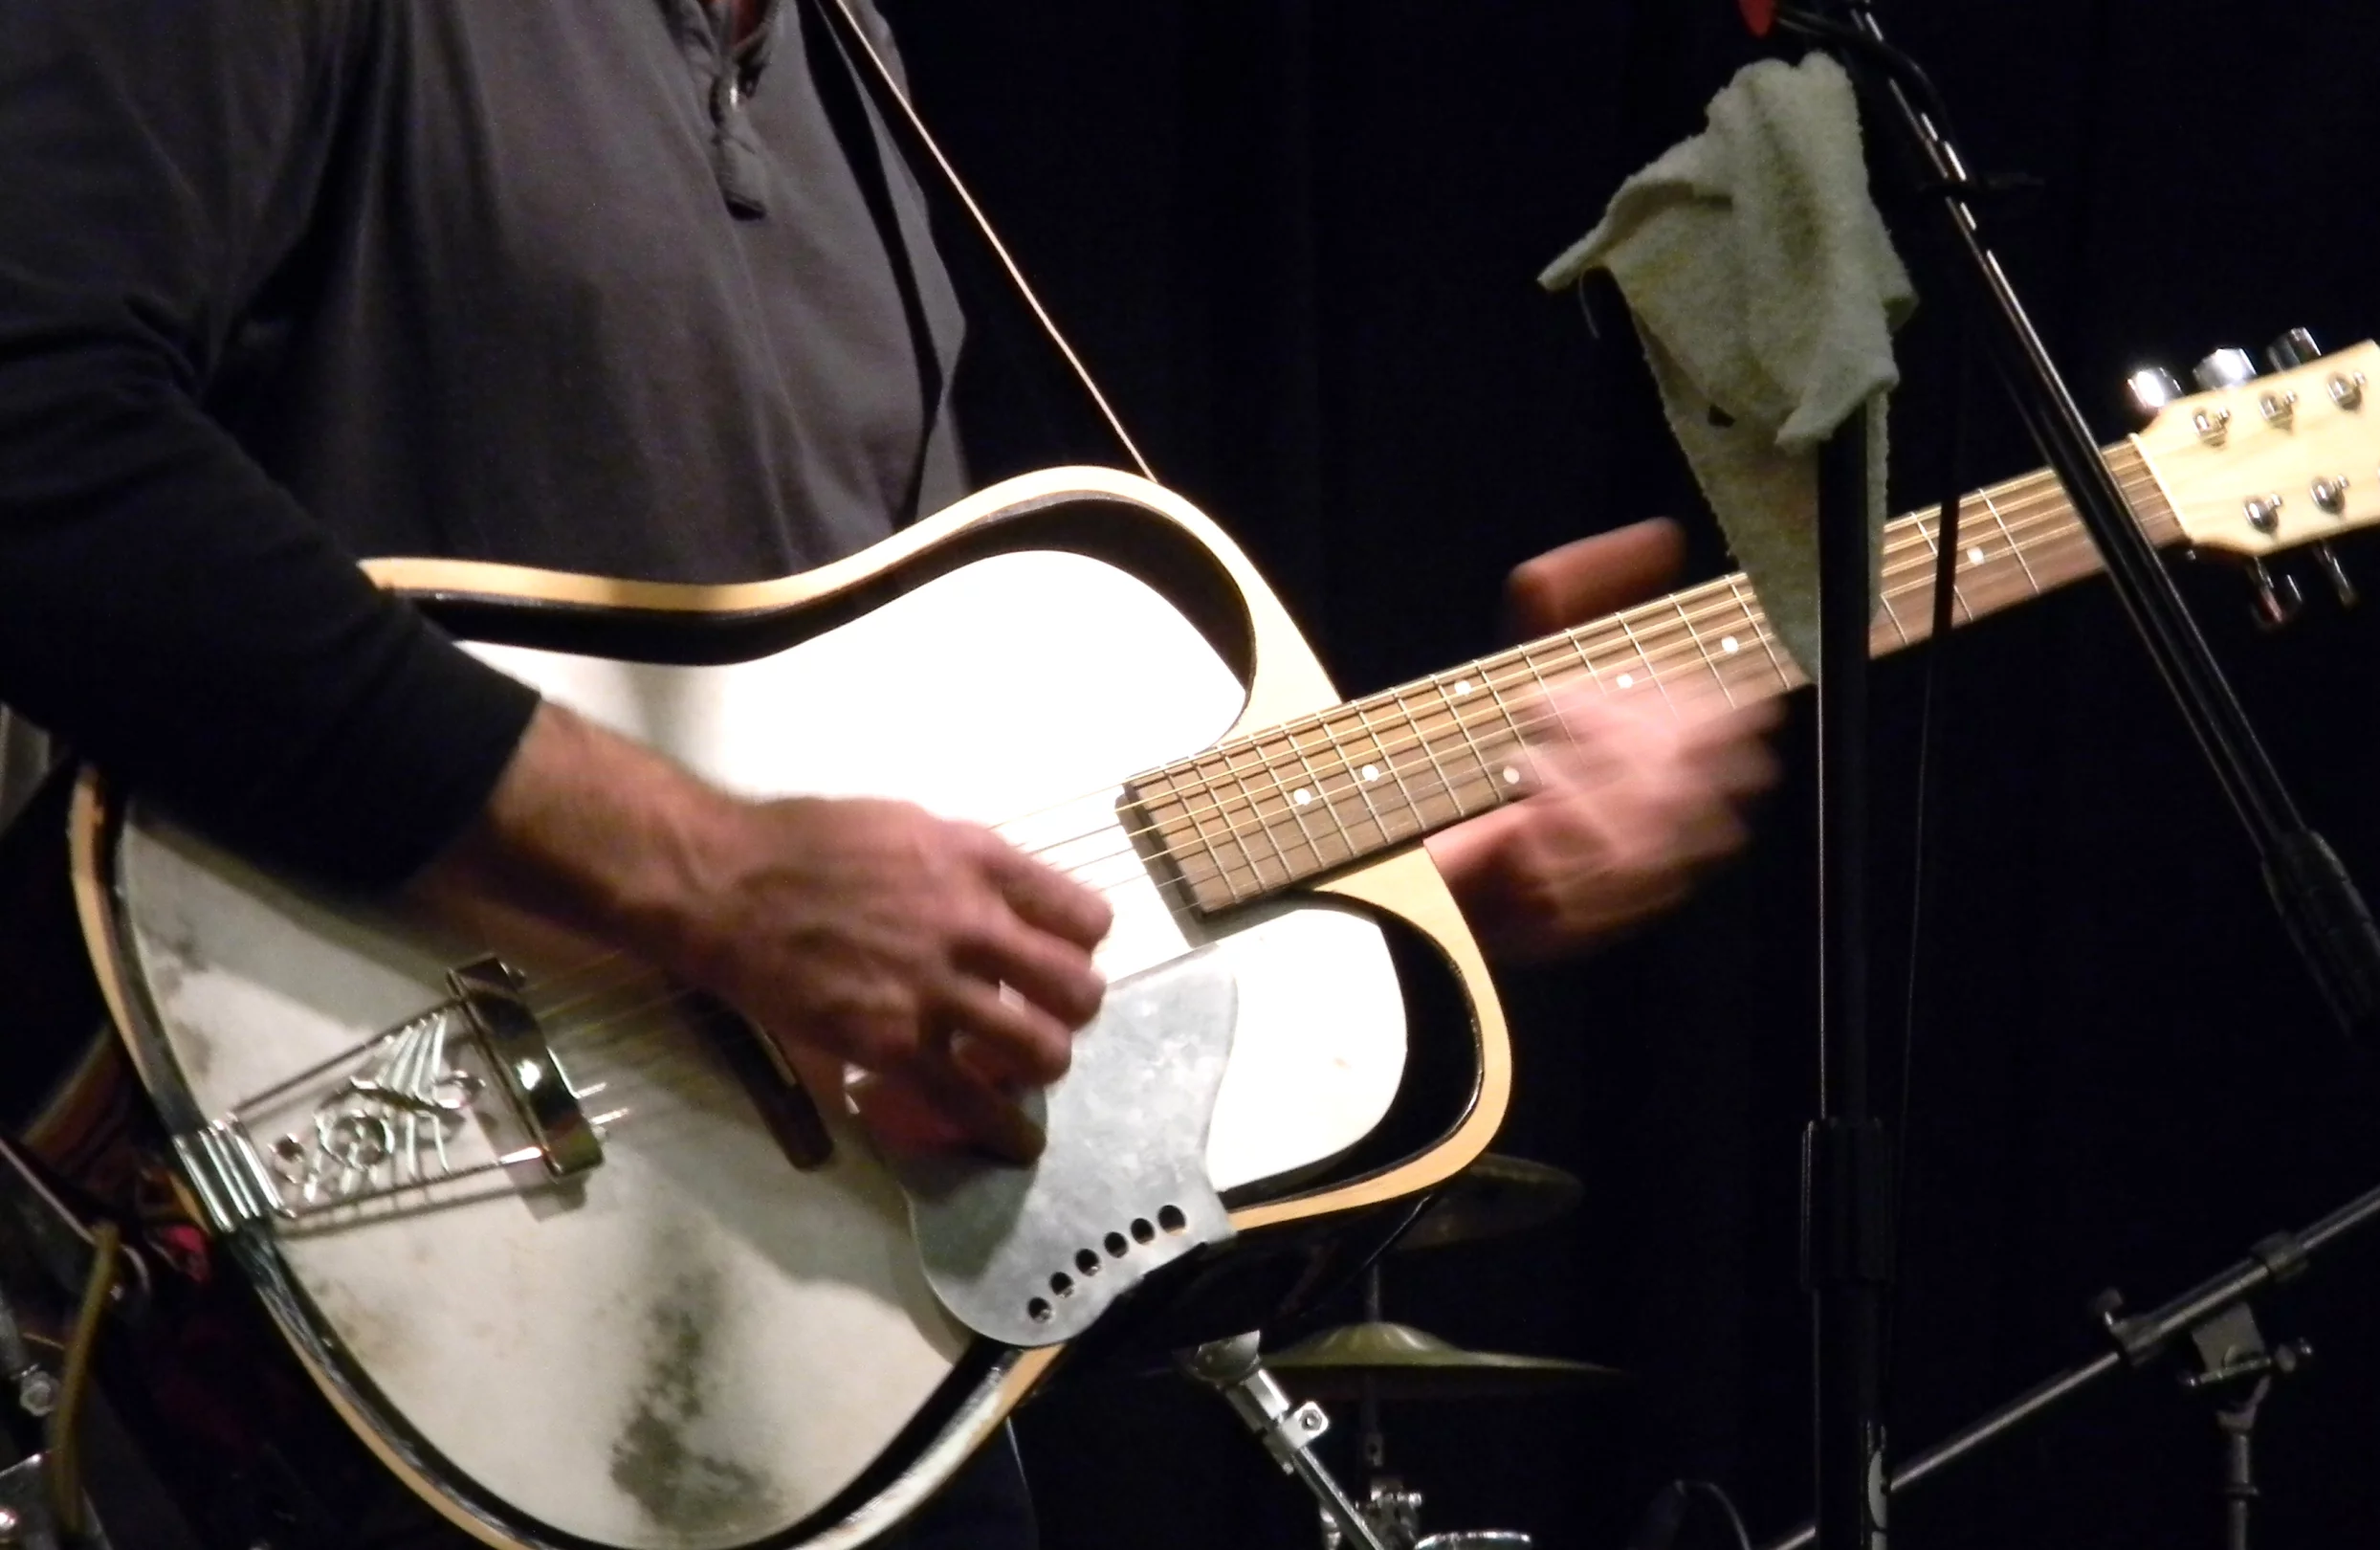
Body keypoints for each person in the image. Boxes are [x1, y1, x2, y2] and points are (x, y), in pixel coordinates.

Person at [0, 0, 1779, 1544]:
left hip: (792, 1412)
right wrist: (706, 875)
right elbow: (37, 442)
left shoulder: (857, 76)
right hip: (290, 1297)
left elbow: (903, 911)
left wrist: (1420, 874)